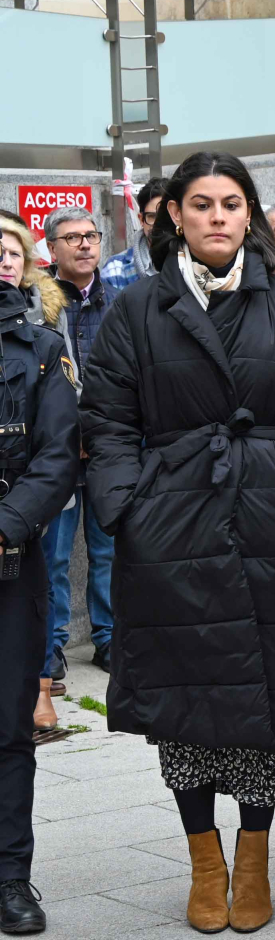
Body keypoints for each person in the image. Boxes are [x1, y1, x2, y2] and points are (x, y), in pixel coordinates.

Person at [80, 151, 275, 935]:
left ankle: (255, 856)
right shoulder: (137, 309)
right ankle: (204, 858)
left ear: (251, 215)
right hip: (172, 520)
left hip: (272, 520)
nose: (219, 217)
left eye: (233, 203)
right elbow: (108, 418)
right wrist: (128, 506)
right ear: (175, 216)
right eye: (202, 204)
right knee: (186, 698)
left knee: (268, 694)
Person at [0, 273, 80, 935]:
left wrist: (5, 524)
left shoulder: (40, 347)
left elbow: (58, 457)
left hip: (8, 561)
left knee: (7, 731)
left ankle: (10, 880)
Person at [1, 213, 74, 729]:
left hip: (32, 489)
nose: (4, 261)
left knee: (44, 573)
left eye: (13, 253)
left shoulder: (47, 323)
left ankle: (41, 686)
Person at [40, 205, 115, 679]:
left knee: (109, 550)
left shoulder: (121, 300)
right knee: (56, 554)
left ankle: (109, 639)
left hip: (109, 446)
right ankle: (52, 646)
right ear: (51, 249)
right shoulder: (38, 301)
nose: (85, 244)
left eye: (91, 235)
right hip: (60, 449)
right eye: (73, 238)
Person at [100, 177, 169, 294]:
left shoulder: (195, 263)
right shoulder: (116, 270)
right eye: (152, 216)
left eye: (166, 217)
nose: (159, 224)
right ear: (141, 219)